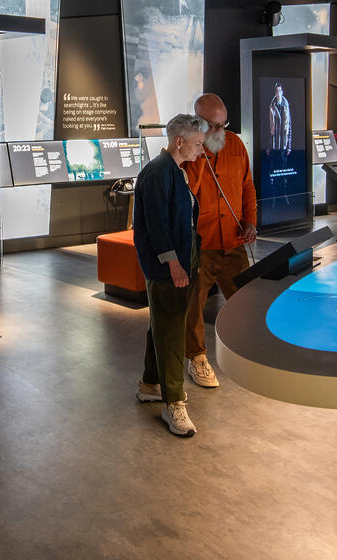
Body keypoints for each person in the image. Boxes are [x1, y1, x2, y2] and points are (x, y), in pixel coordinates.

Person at [134, 113, 208, 437]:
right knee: (172, 331)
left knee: (164, 325)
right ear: (179, 141)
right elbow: (155, 225)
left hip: (181, 260)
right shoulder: (156, 173)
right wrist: (175, 265)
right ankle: (173, 403)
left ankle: (150, 384)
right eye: (197, 144)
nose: (201, 151)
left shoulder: (175, 171)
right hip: (168, 266)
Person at [184, 93, 257, 388]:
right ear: (198, 123)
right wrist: (200, 155)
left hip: (234, 241)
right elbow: (190, 189)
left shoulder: (236, 144)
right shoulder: (189, 150)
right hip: (202, 243)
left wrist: (251, 220)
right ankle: (196, 357)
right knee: (193, 306)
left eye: (223, 125)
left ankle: (247, 349)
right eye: (212, 126)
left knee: (247, 299)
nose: (219, 131)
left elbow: (247, 185)